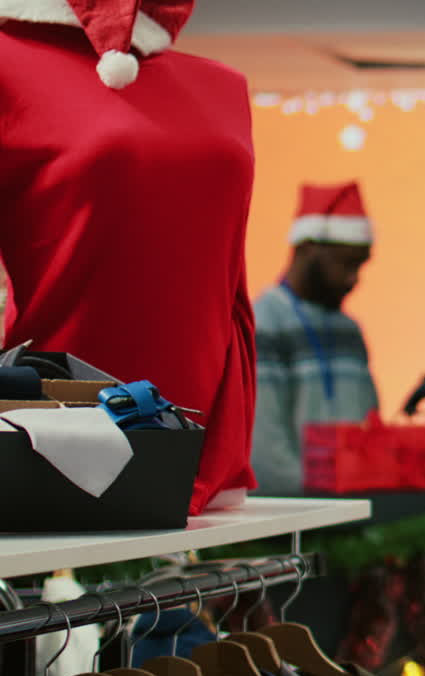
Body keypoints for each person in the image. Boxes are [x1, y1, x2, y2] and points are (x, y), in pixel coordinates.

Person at [0, 0, 257, 514]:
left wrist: (228, 435)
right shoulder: (9, 67)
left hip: (191, 433)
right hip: (51, 432)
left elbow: (230, 287)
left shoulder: (224, 87)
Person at [251, 181, 379, 495]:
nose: (354, 278)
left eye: (360, 265)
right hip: (296, 520)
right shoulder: (264, 322)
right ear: (307, 248)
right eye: (346, 263)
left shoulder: (350, 330)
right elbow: (265, 449)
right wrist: (318, 510)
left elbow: (369, 429)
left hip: (352, 516)